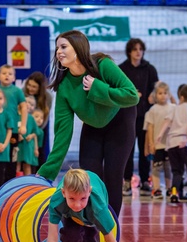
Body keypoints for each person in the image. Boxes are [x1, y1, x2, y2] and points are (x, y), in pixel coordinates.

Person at [38, 30, 140, 214]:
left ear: (78, 49)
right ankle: (91, 226)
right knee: (89, 177)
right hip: (93, 125)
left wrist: (98, 87)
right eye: (57, 48)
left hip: (120, 121)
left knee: (112, 177)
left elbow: (132, 96)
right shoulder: (64, 87)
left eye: (63, 46)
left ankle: (110, 227)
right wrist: (47, 171)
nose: (58, 51)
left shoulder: (103, 65)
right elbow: (63, 132)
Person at [42, 168, 132, 242]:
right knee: (70, 234)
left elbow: (109, 236)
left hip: (91, 217)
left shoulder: (97, 207)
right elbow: (53, 237)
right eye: (72, 199)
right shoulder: (57, 201)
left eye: (82, 198)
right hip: (70, 216)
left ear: (89, 192)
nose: (77, 204)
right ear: (63, 193)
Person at [119, 38, 158, 196]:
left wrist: (152, 96)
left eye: (140, 49)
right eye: (135, 49)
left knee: (145, 150)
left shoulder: (150, 69)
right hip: (127, 116)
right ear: (129, 51)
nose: (138, 52)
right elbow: (116, 89)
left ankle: (144, 182)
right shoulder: (121, 69)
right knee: (127, 150)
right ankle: (126, 181)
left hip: (145, 117)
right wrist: (130, 94)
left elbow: (157, 89)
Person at [157, 84, 187, 205]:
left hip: (171, 143)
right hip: (184, 143)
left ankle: (174, 193)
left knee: (177, 171)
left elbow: (167, 121)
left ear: (181, 97)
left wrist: (160, 134)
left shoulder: (174, 108)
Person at [0, 64, 27, 178]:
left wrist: (23, 125)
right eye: (4, 73)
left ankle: (9, 183)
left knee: (12, 157)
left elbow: (23, 107)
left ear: (14, 78)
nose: (7, 76)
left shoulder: (17, 91)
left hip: (11, 130)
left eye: (10, 74)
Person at [143, 81, 174, 200]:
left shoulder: (173, 108)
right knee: (156, 167)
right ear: (156, 95)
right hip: (158, 145)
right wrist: (150, 143)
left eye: (165, 93)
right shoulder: (152, 110)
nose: (163, 95)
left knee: (169, 167)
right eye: (160, 93)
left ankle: (170, 188)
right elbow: (149, 128)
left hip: (170, 145)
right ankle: (156, 189)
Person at [18, 97, 42, 176]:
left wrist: (31, 136)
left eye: (32, 104)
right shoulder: (16, 116)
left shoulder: (31, 118)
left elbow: (36, 132)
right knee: (17, 164)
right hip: (18, 144)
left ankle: (27, 182)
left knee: (27, 164)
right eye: (27, 102)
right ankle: (15, 182)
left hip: (28, 145)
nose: (28, 105)